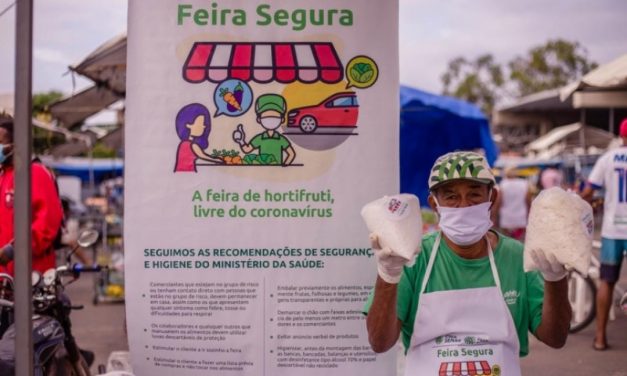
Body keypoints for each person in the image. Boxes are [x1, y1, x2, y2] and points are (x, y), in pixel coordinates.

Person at [364, 151, 571, 375]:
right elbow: (380, 342)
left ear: (492, 198)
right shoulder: (414, 257)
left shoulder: (516, 256)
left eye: (474, 195)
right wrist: (388, 274)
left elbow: (555, 337)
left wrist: (556, 279)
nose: (463, 206)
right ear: (434, 204)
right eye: (451, 197)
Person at [580, 118, 627, 351]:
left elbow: (589, 190)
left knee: (607, 282)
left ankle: (600, 338)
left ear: (621, 136)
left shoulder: (608, 159)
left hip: (613, 230)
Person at [0, 117, 64, 275]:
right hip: (5, 279)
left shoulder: (36, 173)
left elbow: (47, 223)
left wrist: (13, 250)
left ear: (16, 145)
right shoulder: (3, 176)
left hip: (32, 276)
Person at [232, 93, 296, 166]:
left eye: (275, 117)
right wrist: (241, 141)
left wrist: (284, 166)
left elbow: (291, 153)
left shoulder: (281, 139)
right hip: (261, 170)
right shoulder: (259, 138)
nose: (271, 119)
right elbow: (247, 150)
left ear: (282, 119)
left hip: (277, 173)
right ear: (259, 119)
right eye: (266, 117)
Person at [174, 103, 223, 172]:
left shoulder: (183, 143)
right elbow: (203, 156)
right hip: (188, 173)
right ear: (188, 125)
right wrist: (218, 160)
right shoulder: (191, 145)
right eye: (201, 123)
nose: (204, 126)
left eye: (204, 124)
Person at [495, 167, 531, 240]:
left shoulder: (503, 184)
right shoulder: (523, 183)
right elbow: (528, 200)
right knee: (520, 241)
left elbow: (499, 201)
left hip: (506, 217)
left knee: (507, 241)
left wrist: (495, 216)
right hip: (521, 217)